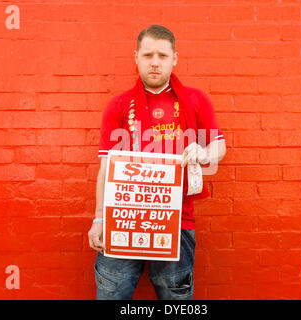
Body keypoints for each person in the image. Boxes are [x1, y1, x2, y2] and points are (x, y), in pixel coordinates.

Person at [88, 24, 226, 300]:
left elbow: (219, 146)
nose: (154, 62)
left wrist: (204, 153)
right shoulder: (118, 106)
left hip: (177, 221)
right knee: (111, 295)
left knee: (175, 299)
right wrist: (99, 218)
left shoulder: (196, 101)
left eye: (162, 56)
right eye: (147, 55)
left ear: (174, 58)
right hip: (122, 220)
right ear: (136, 56)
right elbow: (106, 167)